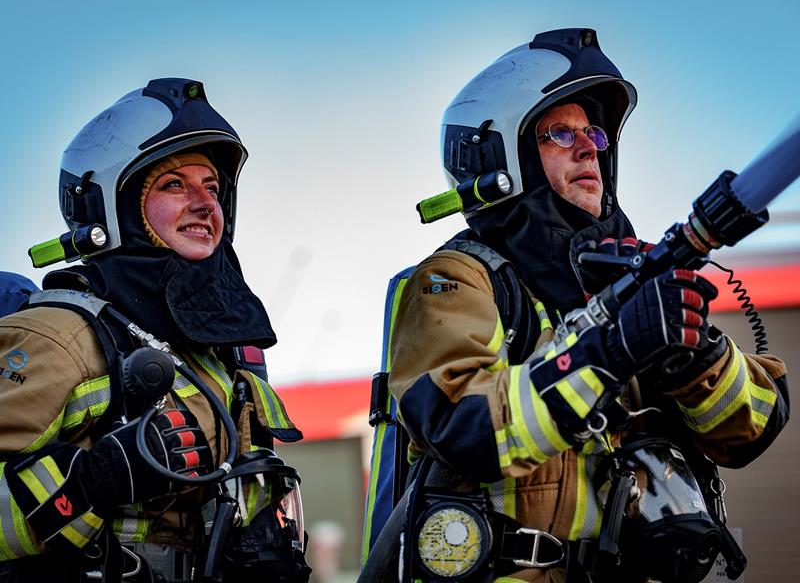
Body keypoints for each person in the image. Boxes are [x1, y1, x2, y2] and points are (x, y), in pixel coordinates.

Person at [380, 29, 789, 582]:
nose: (590, 146)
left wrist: (693, 355)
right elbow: (460, 424)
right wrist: (606, 351)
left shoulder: (629, 276)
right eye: (559, 133)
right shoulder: (456, 280)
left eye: (593, 132)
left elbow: (752, 430)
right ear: (505, 154)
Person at [0, 78, 309, 582]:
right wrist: (91, 482)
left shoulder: (216, 353)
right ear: (114, 208)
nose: (206, 204)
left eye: (212, 187)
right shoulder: (55, 336)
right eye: (173, 185)